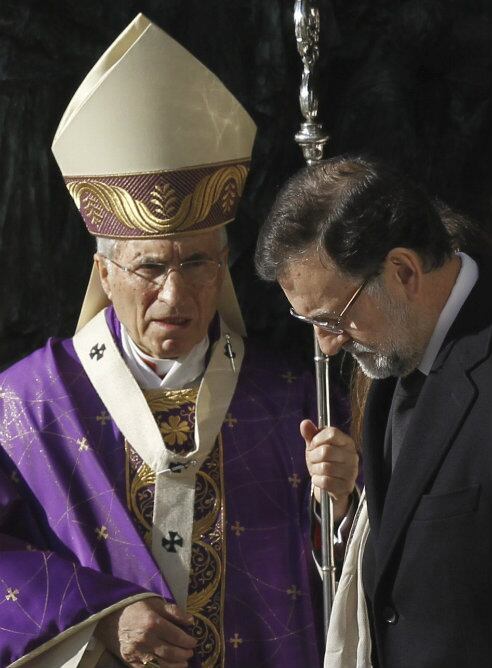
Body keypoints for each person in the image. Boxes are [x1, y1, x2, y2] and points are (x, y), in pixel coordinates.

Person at [0, 15, 350, 668]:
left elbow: (353, 572)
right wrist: (102, 617)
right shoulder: (25, 407)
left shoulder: (295, 398)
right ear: (104, 270)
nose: (176, 296)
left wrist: (348, 502)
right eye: (150, 268)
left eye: (197, 263)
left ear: (225, 263)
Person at [255, 154, 492, 667]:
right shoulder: (398, 348)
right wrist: (348, 506)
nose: (328, 345)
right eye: (308, 321)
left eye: (334, 318)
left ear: (403, 271)